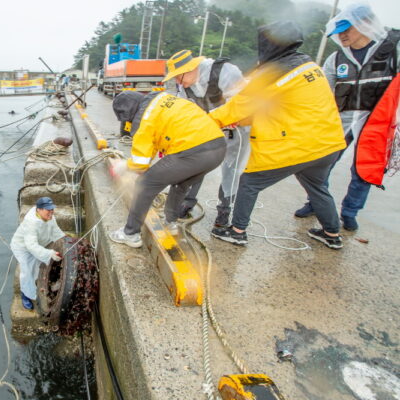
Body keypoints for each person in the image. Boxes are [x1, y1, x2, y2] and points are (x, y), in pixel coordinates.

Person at [209, 20, 347, 249]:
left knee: (249, 183)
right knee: (317, 187)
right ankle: (332, 234)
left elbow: (236, 108)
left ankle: (237, 231)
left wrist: (205, 120)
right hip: (328, 144)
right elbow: (288, 106)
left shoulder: (272, 73)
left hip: (297, 146)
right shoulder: (309, 65)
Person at [294, 3, 400, 231]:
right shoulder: (336, 58)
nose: (341, 36)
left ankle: (350, 213)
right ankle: (315, 202)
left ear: (364, 25)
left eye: (346, 29)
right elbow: (321, 91)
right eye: (338, 31)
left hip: (375, 122)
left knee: (363, 169)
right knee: (322, 164)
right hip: (341, 118)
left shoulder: (392, 51)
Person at [109, 89, 226, 248]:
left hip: (192, 151)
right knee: (180, 183)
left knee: (145, 184)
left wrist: (123, 166)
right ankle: (170, 223)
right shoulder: (161, 101)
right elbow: (151, 146)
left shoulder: (143, 119)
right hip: (217, 148)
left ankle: (130, 234)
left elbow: (140, 164)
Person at [166, 50, 251, 226]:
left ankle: (225, 210)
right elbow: (184, 109)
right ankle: (187, 202)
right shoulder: (184, 86)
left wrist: (220, 118)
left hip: (235, 129)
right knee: (196, 163)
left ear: (190, 69)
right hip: (208, 128)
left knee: (231, 169)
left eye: (178, 77)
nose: (177, 82)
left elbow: (242, 102)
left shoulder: (224, 72)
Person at [10, 197, 65, 310]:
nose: (51, 212)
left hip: (39, 242)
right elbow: (31, 246)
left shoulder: (49, 217)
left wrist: (66, 240)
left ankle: (37, 283)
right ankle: (25, 295)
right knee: (27, 270)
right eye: (48, 210)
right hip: (23, 247)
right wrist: (49, 254)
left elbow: (56, 231)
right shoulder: (31, 222)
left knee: (39, 266)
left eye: (52, 209)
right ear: (38, 209)